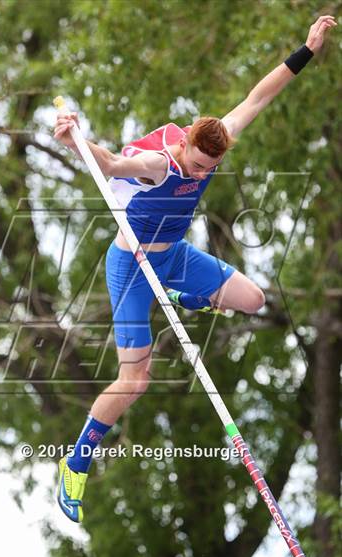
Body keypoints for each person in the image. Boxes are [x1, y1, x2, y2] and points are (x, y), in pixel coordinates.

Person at [53, 15, 337, 523]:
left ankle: (185, 297)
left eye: (211, 168)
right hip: (132, 266)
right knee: (135, 381)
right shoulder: (162, 163)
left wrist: (307, 51)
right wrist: (77, 143)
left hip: (174, 257)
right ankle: (77, 462)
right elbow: (112, 164)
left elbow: (259, 96)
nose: (203, 173)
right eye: (199, 164)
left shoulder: (218, 138)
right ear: (184, 142)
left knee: (252, 300)